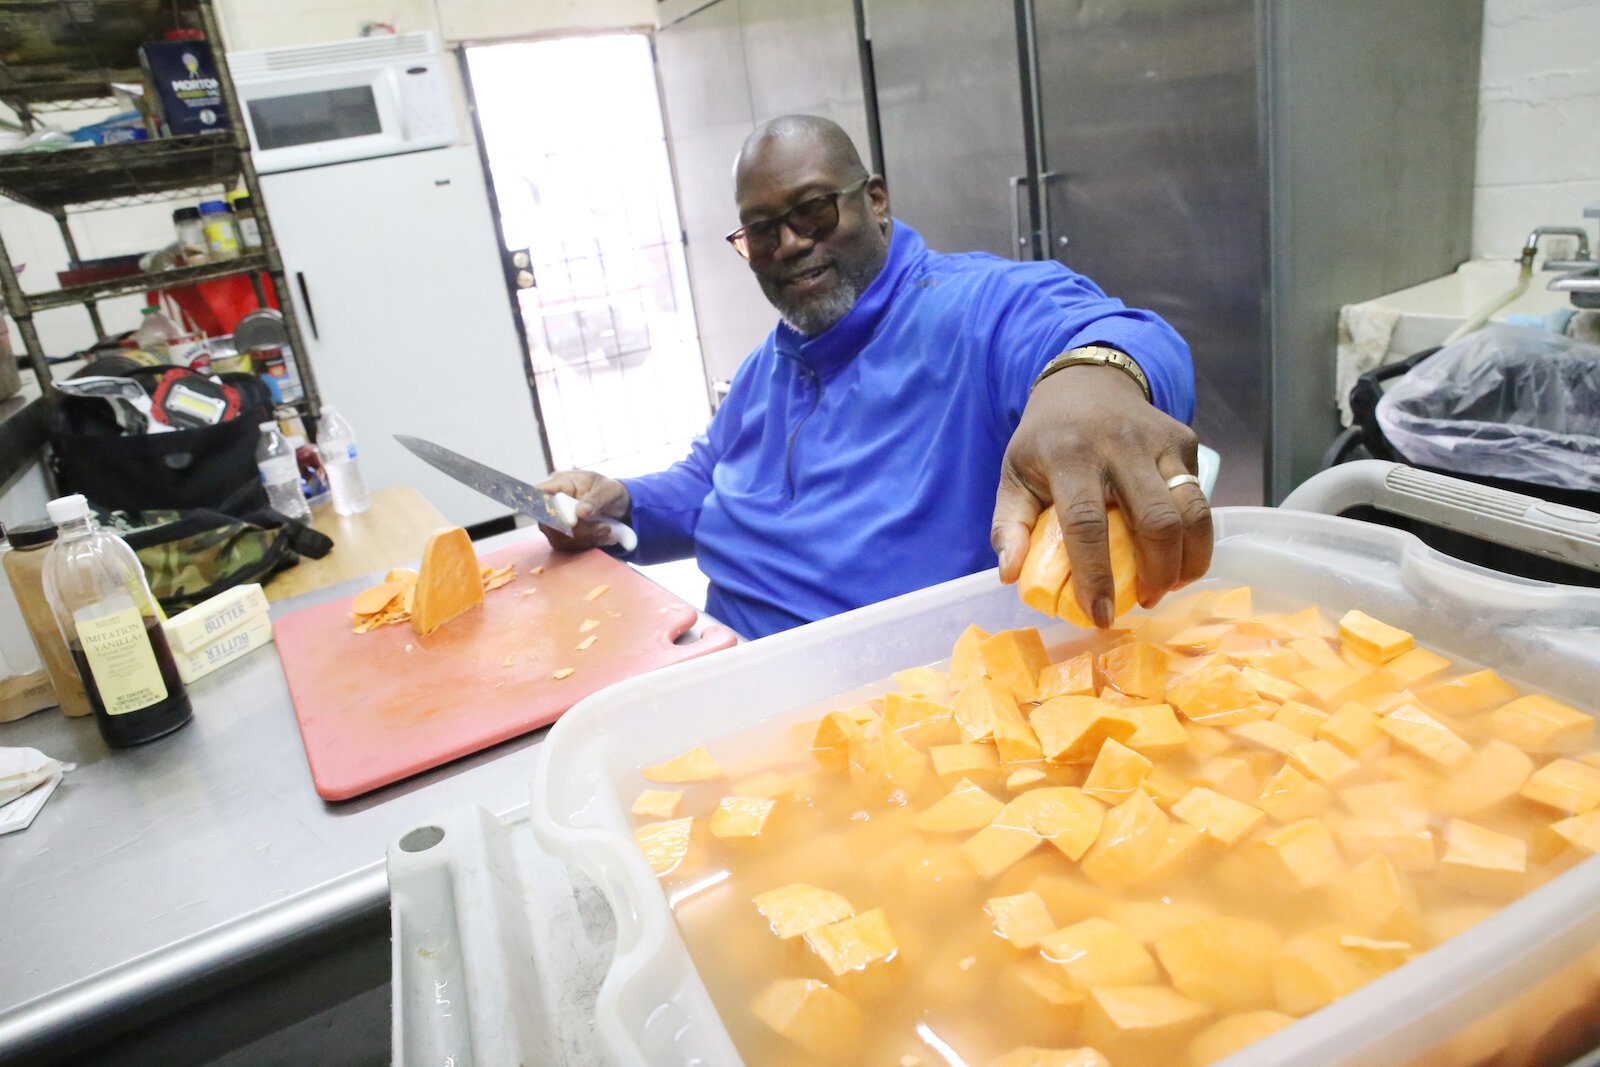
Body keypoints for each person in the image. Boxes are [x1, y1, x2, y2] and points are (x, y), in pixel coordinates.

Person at [540, 115, 1209, 639]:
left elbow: (1124, 336)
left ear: (876, 200)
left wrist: (1090, 380)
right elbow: (707, 483)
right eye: (762, 230)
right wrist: (619, 503)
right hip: (716, 663)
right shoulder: (769, 363)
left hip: (873, 697)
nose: (791, 243)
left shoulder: (971, 309)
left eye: (813, 210)